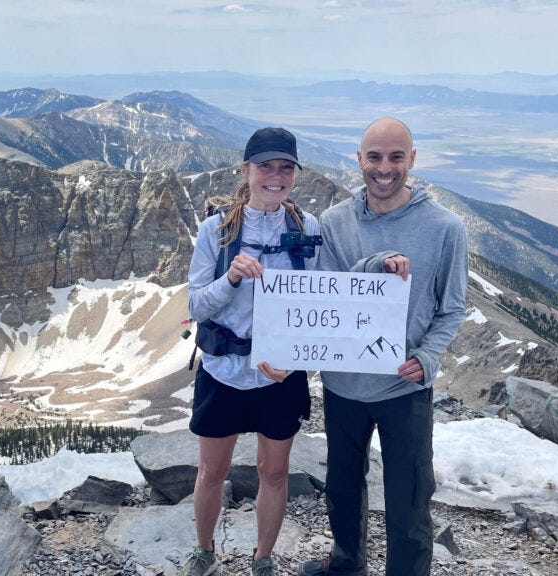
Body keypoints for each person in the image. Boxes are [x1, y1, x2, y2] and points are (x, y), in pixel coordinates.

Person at [298, 117, 468, 576]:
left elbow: (452, 308)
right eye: (374, 157)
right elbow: (324, 295)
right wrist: (373, 265)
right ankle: (348, 563)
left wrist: (428, 358)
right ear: (359, 160)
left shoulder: (445, 228)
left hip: (403, 387)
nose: (384, 168)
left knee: (410, 497)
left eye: (396, 157)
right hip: (343, 385)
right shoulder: (334, 223)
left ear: (412, 160)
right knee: (342, 487)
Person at [182, 127, 319, 576]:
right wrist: (232, 278)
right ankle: (204, 552)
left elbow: (323, 303)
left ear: (294, 175)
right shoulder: (216, 231)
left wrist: (381, 267)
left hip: (280, 376)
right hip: (223, 370)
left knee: (275, 474)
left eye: (285, 168)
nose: (275, 177)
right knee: (211, 473)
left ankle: (263, 558)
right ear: (246, 170)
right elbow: (196, 304)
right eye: (265, 166)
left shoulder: (307, 230)